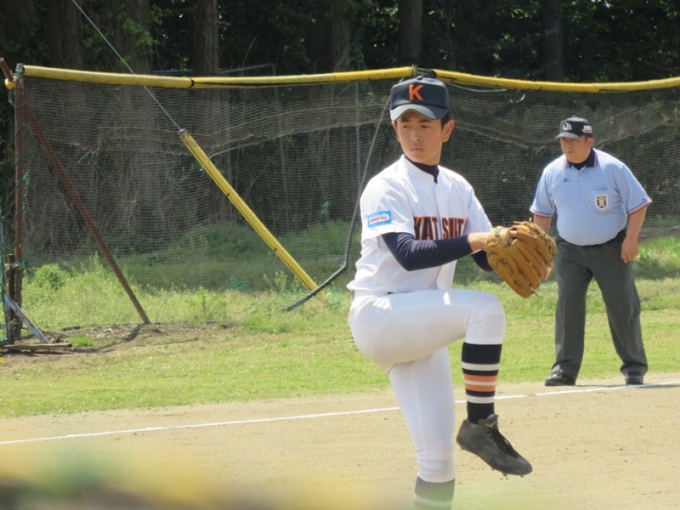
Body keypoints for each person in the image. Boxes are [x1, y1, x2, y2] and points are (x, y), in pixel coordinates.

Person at [347, 74, 531, 510]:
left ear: (447, 130)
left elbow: (486, 256)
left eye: (425, 124)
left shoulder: (457, 187)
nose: (414, 134)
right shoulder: (386, 186)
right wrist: (478, 240)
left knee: (437, 459)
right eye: (405, 124)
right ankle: (480, 425)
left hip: (421, 327)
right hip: (381, 313)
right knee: (484, 311)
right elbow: (408, 255)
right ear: (394, 128)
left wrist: (513, 252)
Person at [530, 116, 651, 387]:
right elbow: (542, 214)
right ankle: (564, 370)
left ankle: (634, 367)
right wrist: (543, 253)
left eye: (573, 140)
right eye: (564, 140)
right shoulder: (552, 172)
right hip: (569, 251)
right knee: (567, 307)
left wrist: (631, 239)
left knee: (622, 307)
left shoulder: (612, 168)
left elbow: (639, 204)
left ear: (589, 141)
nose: (568, 145)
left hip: (611, 248)